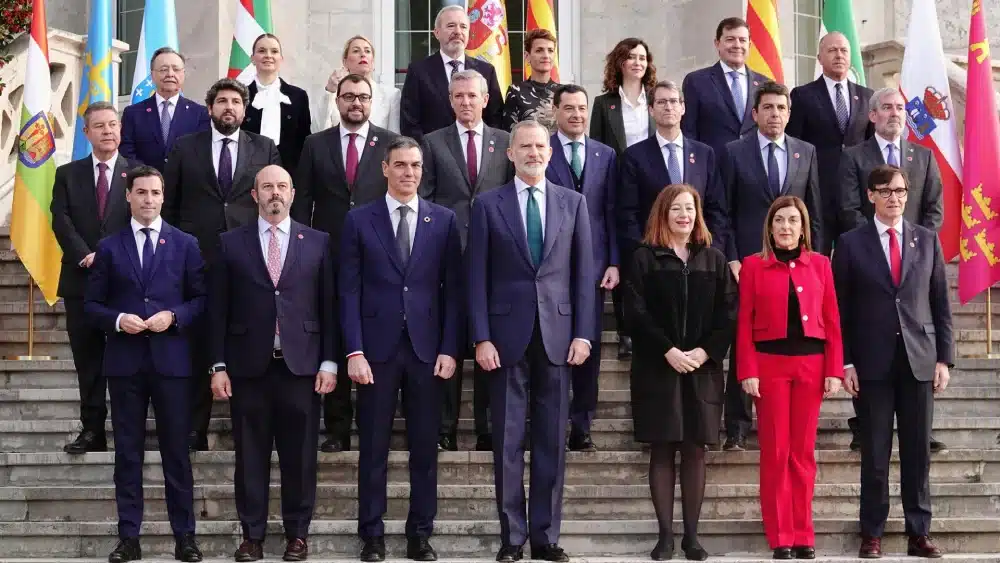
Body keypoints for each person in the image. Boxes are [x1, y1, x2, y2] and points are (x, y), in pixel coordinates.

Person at [467, 120, 596, 563]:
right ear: (510, 153)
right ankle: (511, 538)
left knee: (550, 441)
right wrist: (480, 337)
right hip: (504, 340)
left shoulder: (573, 203)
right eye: (525, 146)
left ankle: (545, 536)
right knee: (506, 442)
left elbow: (583, 274)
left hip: (559, 338)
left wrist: (583, 332)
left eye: (541, 145)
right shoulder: (487, 205)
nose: (534, 152)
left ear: (551, 151)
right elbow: (475, 279)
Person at [341, 137, 464, 562]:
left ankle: (419, 534)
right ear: (385, 169)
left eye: (415, 165)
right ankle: (371, 535)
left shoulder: (443, 220)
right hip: (375, 352)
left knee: (425, 447)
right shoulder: (360, 220)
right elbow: (349, 291)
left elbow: (454, 293)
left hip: (428, 352)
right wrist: (353, 350)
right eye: (400, 165)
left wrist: (451, 348)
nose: (409, 172)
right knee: (373, 447)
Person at [208, 165, 338, 562]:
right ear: (255, 195)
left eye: (282, 186)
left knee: (300, 456)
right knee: (250, 455)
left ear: (293, 194)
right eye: (268, 187)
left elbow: (329, 306)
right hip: (249, 368)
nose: (275, 193)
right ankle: (252, 536)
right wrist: (217, 365)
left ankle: (298, 534)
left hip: (301, 368)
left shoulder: (317, 242)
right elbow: (218, 310)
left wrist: (330, 362)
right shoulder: (231, 243)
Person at [83, 165, 206, 563]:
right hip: (125, 363)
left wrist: (175, 316)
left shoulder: (185, 244)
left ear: (163, 196)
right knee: (128, 455)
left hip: (171, 364)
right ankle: (129, 538)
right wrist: (118, 320)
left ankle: (185, 537)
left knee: (176, 453)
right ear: (129, 197)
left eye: (155, 192)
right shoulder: (110, 246)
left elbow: (201, 300)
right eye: (141, 192)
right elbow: (91, 306)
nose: (148, 199)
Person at [833, 165, 953, 559]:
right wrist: (846, 362)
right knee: (876, 453)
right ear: (870, 196)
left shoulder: (926, 240)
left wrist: (944, 359)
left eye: (900, 190)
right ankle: (872, 533)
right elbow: (841, 310)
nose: (894, 198)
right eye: (885, 191)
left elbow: (940, 304)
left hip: (919, 361)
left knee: (918, 453)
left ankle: (919, 532)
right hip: (872, 365)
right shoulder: (851, 243)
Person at [164, 77, 281, 452]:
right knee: (199, 343)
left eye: (235, 102)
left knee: (248, 339)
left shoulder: (264, 148)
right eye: (221, 102)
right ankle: (194, 428)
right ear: (210, 108)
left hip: (251, 261)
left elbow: (275, 202)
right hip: (198, 260)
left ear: (245, 111)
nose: (228, 108)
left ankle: (254, 430)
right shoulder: (185, 148)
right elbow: (171, 205)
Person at [625, 185, 736, 562]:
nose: (684, 215)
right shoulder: (643, 259)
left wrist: (705, 352)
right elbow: (634, 314)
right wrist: (668, 351)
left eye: (690, 208)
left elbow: (729, 315)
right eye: (676, 209)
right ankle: (665, 537)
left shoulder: (714, 260)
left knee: (694, 451)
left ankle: (692, 537)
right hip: (658, 367)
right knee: (662, 448)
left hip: (702, 369)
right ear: (663, 213)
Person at [293, 73, 399, 453]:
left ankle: (375, 423)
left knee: (376, 335)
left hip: (380, 255)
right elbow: (303, 200)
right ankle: (337, 427)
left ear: (373, 102)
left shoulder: (390, 144)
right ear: (337, 101)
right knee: (335, 335)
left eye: (363, 97)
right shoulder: (314, 145)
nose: (356, 102)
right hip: (329, 252)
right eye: (349, 96)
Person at [837, 87, 946, 452]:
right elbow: (849, 208)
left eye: (900, 107)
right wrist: (874, 240)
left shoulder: (925, 157)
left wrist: (919, 246)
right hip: (870, 260)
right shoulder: (853, 156)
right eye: (886, 107)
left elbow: (933, 208)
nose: (894, 113)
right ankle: (864, 427)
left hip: (915, 263)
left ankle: (922, 430)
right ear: (872, 115)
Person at [735, 195, 843, 560]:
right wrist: (747, 370)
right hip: (769, 368)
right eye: (779, 220)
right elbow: (744, 324)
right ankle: (780, 535)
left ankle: (803, 533)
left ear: (803, 226)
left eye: (792, 220)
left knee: (802, 454)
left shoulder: (820, 265)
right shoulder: (752, 266)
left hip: (811, 367)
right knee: (776, 453)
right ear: (770, 226)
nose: (785, 227)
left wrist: (833, 369)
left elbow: (832, 321)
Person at [719, 81, 822, 452]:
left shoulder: (805, 152)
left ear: (789, 114)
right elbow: (722, 211)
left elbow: (814, 212)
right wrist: (731, 257)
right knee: (744, 337)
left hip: (796, 266)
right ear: (755, 114)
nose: (775, 114)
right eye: (768, 108)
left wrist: (814, 264)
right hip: (748, 266)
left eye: (781, 108)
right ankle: (737, 425)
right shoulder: (733, 152)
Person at [419, 69, 514, 452]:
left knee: (490, 343)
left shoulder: (505, 142)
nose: (465, 102)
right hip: (447, 257)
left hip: (496, 260)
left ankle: (487, 428)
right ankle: (445, 427)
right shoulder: (432, 142)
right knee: (450, 341)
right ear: (450, 100)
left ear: (485, 98)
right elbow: (424, 198)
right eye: (458, 96)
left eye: (472, 96)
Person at [51, 101, 132, 455]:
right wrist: (85, 254)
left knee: (126, 360)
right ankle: (93, 431)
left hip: (125, 282)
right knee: (88, 361)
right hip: (80, 281)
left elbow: (142, 220)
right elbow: (60, 220)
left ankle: (128, 431)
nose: (108, 131)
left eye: (113, 124)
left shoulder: (138, 174)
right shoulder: (68, 174)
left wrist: (111, 256)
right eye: (99, 126)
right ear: (86, 133)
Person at [544, 83, 619, 452]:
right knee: (554, 342)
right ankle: (552, 420)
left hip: (593, 264)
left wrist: (614, 262)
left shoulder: (606, 155)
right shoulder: (543, 150)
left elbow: (612, 212)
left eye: (582, 108)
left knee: (587, 342)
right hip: (552, 264)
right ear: (555, 111)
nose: (576, 115)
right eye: (569, 108)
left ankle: (582, 424)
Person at [590, 37, 656, 360]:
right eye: (630, 57)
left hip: (655, 190)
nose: (637, 62)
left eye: (642, 57)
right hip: (619, 187)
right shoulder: (604, 104)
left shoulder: (657, 101)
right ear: (620, 62)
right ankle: (626, 331)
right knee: (626, 258)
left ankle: (653, 325)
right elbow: (598, 149)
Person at [786, 32, 874, 247]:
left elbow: (871, 147)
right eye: (832, 50)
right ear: (819, 57)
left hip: (856, 197)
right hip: (819, 194)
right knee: (818, 258)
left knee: (856, 259)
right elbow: (795, 145)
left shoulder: (867, 96)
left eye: (844, 50)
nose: (839, 55)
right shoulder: (802, 95)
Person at [619, 80, 727, 255]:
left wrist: (712, 251)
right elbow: (628, 213)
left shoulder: (704, 154)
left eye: (673, 101)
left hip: (698, 254)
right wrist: (644, 253)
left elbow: (717, 209)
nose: (668, 107)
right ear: (651, 110)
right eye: (661, 102)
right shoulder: (634, 156)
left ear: (683, 108)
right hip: (654, 256)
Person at [400, 5, 503, 141]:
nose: (458, 32)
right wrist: (428, 151)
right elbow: (409, 122)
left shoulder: (486, 71)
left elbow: (496, 118)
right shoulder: (418, 71)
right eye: (451, 26)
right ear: (436, 33)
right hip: (432, 156)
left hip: (476, 154)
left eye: (463, 27)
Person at [680, 18, 769, 159]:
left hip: (754, 170)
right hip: (713, 169)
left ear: (750, 45)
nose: (737, 45)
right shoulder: (696, 81)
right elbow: (689, 132)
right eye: (730, 39)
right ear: (717, 43)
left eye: (742, 40)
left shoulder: (765, 84)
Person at [121, 47, 210, 172]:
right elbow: (127, 154)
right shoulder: (133, 113)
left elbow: (202, 154)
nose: (170, 74)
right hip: (146, 187)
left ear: (183, 74)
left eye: (176, 69)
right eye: (163, 69)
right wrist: (149, 179)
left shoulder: (200, 114)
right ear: (152, 75)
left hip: (185, 187)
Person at [243, 33, 312, 178]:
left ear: (281, 58)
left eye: (274, 51)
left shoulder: (298, 96)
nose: (268, 55)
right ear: (252, 58)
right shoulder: (241, 96)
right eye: (262, 51)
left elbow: (304, 141)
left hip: (289, 177)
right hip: (247, 177)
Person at [324, 35, 401, 133]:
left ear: (373, 62)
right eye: (356, 51)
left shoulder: (391, 95)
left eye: (367, 51)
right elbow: (319, 130)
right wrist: (329, 92)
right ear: (345, 62)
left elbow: (395, 137)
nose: (363, 54)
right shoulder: (333, 93)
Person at [501, 28, 559, 131]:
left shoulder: (563, 92)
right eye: (539, 50)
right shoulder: (516, 91)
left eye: (550, 50)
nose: (546, 55)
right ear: (527, 57)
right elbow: (509, 134)